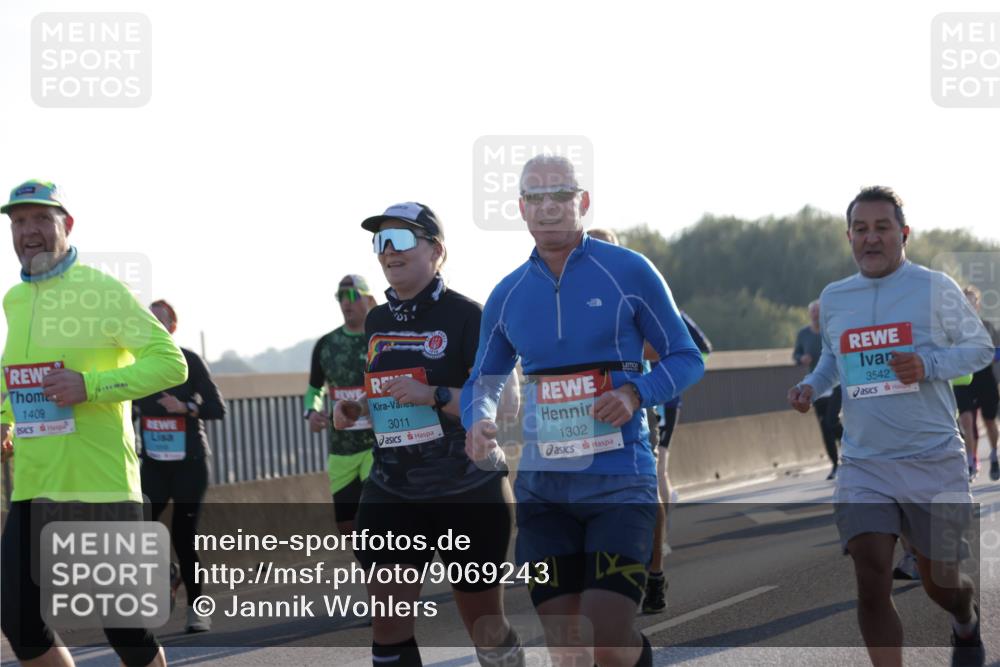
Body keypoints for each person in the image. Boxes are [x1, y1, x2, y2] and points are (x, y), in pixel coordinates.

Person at [463, 156, 705, 667]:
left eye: (560, 194)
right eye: (535, 197)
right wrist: (476, 420)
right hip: (544, 494)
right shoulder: (507, 294)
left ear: (583, 202)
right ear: (522, 209)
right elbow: (482, 380)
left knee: (604, 642)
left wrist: (637, 393)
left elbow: (687, 357)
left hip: (619, 483)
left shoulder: (629, 271)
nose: (548, 206)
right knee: (568, 648)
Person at [787, 186, 992, 667]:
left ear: (904, 234)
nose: (871, 239)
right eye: (861, 229)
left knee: (942, 582)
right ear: (849, 237)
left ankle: (965, 622)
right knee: (871, 575)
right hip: (865, 462)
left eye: (882, 228)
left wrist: (927, 363)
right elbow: (832, 362)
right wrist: (810, 387)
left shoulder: (933, 287)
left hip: (932, 457)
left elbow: (979, 348)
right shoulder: (835, 297)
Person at [1, 180, 187, 666]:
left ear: (67, 224)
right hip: (35, 484)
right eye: (18, 221)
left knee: (123, 628)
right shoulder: (15, 300)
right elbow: (18, 376)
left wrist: (91, 386)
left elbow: (171, 364)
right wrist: (5, 420)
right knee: (18, 618)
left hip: (99, 485)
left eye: (41, 218)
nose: (29, 231)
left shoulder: (102, 290)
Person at [334, 202, 524, 667]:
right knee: (387, 625)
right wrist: (358, 407)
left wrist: (434, 394)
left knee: (486, 628)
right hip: (393, 490)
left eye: (400, 240)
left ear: (436, 250)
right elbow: (384, 393)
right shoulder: (378, 322)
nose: (387, 252)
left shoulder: (469, 315)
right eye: (380, 243)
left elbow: (506, 405)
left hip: (467, 489)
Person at [134, 299, 226, 633]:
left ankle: (197, 609)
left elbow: (217, 409)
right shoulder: (137, 363)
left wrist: (184, 406)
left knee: (185, 538)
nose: (154, 328)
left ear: (173, 327)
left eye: (160, 323)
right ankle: (166, 573)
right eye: (149, 323)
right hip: (154, 465)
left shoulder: (189, 361)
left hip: (190, 464)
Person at [644, 310, 711, 614]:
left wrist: (674, 379)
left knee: (658, 470)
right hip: (614, 399)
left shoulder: (670, 310)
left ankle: (661, 542)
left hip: (661, 401)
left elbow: (703, 350)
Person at [303, 275, 377, 535]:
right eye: (341, 297)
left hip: (377, 447)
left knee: (374, 521)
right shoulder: (326, 344)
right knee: (348, 529)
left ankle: (384, 572)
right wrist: (311, 412)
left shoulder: (379, 341)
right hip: (342, 449)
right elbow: (314, 389)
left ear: (369, 299)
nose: (347, 303)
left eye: (354, 296)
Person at [952, 285, 999, 481]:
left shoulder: (987, 327)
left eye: (972, 302)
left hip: (985, 379)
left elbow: (998, 353)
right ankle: (971, 462)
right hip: (963, 381)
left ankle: (994, 454)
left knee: (989, 421)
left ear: (977, 305)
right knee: (966, 421)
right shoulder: (952, 329)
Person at [794, 300, 844, 479]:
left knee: (832, 421)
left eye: (818, 311)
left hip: (836, 383)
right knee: (824, 427)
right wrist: (802, 359)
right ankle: (835, 465)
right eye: (813, 311)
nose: (815, 314)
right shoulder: (803, 334)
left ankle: (850, 447)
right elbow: (796, 354)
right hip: (816, 385)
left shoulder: (831, 331)